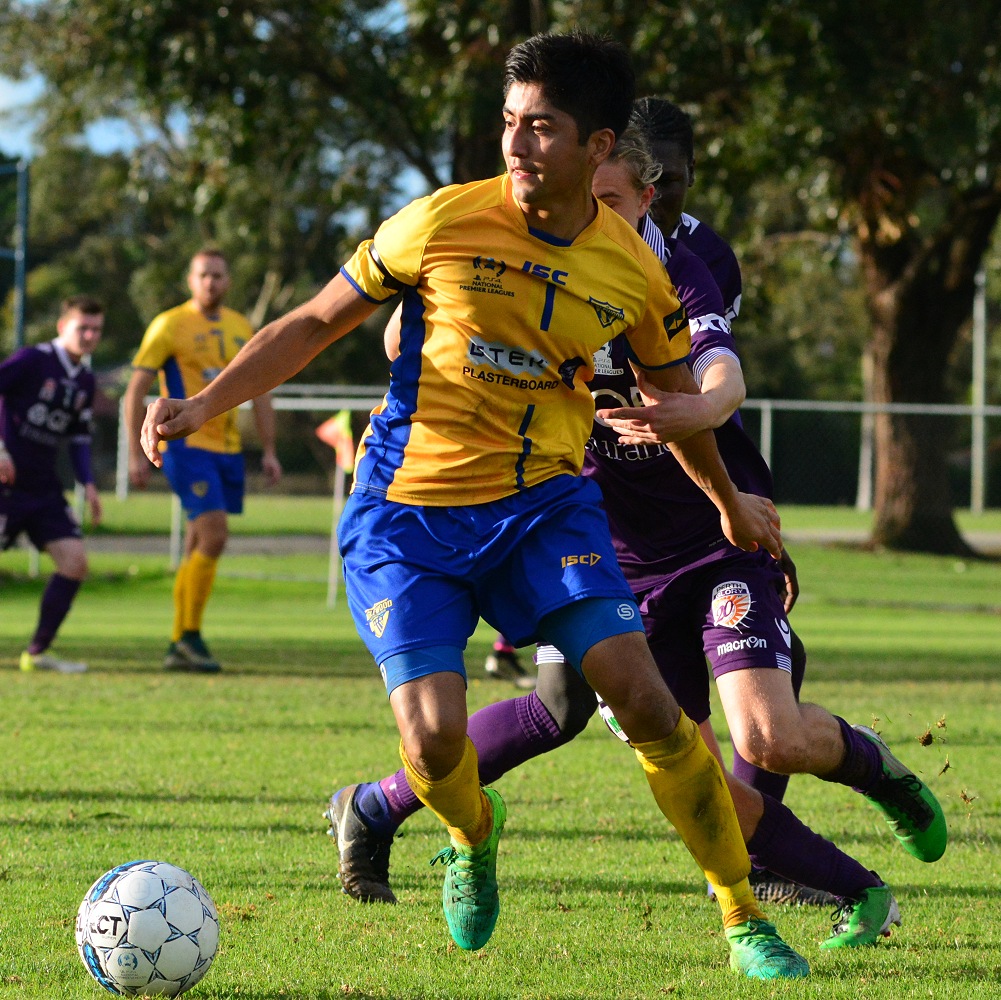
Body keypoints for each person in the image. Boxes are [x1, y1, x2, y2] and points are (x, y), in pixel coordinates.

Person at [141, 31, 811, 980]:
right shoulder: (439, 222)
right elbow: (312, 324)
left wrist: (730, 502)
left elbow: (674, 410)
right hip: (405, 512)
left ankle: (740, 913)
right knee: (430, 735)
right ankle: (469, 829)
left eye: (541, 127)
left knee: (649, 705)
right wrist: (204, 403)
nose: (517, 144)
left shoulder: (633, 270)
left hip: (544, 508)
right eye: (508, 123)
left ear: (596, 144)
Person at [328, 130, 943, 949]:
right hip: (597, 542)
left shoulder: (674, 268)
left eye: (611, 198)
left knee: (765, 737)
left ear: (641, 193)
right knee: (599, 721)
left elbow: (719, 374)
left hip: (712, 535)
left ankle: (863, 797)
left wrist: (700, 413)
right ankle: (385, 805)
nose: (581, 214)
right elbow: (417, 331)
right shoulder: (520, 242)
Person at [124, 248, 282, 672]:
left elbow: (261, 387)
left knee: (199, 541)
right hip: (185, 445)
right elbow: (135, 390)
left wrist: (268, 449)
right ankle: (189, 637)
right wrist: (134, 453)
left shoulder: (240, 326)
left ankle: (180, 641)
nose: (211, 282)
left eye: (218, 275)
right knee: (215, 534)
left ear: (228, 281)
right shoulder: (169, 325)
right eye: (203, 275)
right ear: (190, 281)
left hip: (228, 450)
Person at [0, 295, 105, 673]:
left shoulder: (85, 379)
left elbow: (78, 437)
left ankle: (37, 652)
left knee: (75, 563)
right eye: (83, 328)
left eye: (96, 329)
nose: (90, 335)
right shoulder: (33, 360)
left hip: (43, 488)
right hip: (5, 484)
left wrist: (88, 484)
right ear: (63, 327)